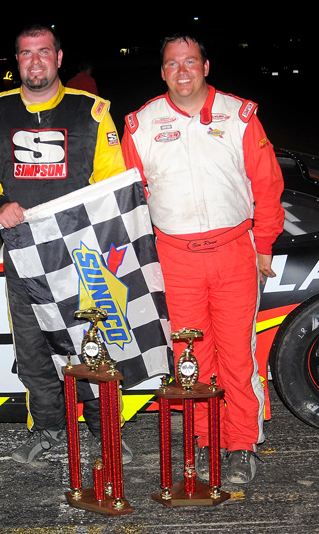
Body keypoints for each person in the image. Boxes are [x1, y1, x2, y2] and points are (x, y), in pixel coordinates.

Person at [0, 24, 131, 464]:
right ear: (16, 61)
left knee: (91, 343)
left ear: (58, 58)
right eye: (26, 53)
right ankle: (49, 428)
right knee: (33, 348)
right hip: (21, 250)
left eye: (43, 52)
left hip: (80, 252)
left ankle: (104, 430)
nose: (34, 61)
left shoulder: (92, 111)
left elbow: (112, 179)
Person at [121, 34, 284, 483]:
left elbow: (267, 184)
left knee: (238, 357)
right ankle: (203, 438)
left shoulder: (240, 114)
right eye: (173, 64)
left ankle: (242, 443)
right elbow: (128, 199)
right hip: (174, 259)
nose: (183, 71)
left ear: (206, 66)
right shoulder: (140, 124)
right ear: (162, 72)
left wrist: (264, 245)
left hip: (234, 252)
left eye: (190, 61)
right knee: (190, 357)